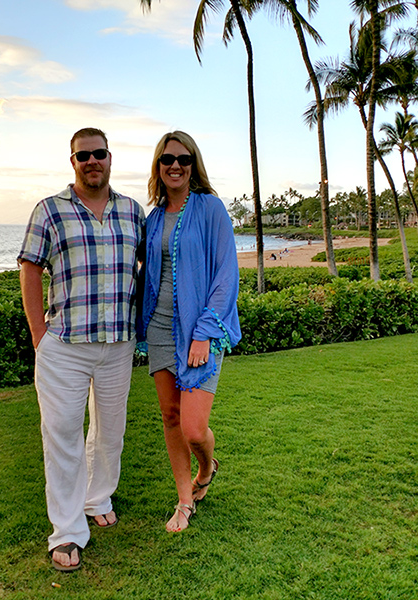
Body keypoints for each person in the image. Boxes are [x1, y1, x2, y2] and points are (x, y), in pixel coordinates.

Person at [17, 128, 145, 571]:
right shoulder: (50, 210)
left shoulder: (132, 211)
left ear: (111, 158)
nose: (92, 161)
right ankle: (68, 532)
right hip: (65, 344)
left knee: (110, 431)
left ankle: (98, 496)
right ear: (72, 161)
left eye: (99, 153)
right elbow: (30, 268)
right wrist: (38, 334)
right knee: (63, 435)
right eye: (83, 155)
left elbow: (146, 267)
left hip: (118, 342)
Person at [138, 131, 241, 532]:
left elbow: (225, 275)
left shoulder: (211, 208)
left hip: (201, 330)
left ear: (193, 163)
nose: (175, 165)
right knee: (170, 415)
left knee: (194, 427)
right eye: (167, 160)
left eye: (183, 158)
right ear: (158, 167)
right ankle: (184, 500)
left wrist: (204, 331)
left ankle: (206, 466)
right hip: (160, 327)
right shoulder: (152, 217)